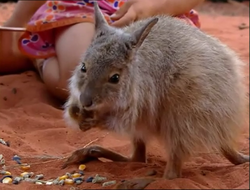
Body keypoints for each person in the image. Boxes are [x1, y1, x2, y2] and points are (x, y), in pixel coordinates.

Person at [1, 0, 204, 102]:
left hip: (155, 10)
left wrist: (147, 8)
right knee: (76, 80)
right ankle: (43, 57)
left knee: (176, 80)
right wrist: (16, 24)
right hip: (86, 7)